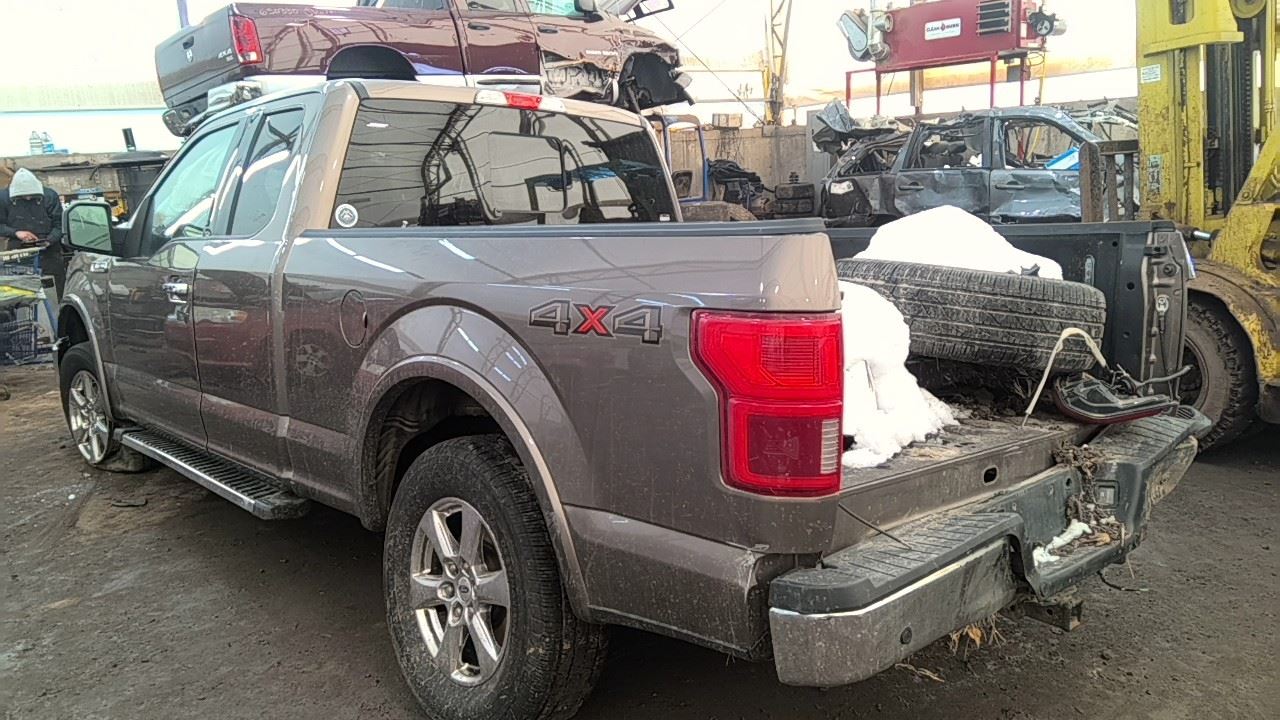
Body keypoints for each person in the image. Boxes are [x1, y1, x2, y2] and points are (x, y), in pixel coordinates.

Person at [0, 168, 65, 298]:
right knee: (20, 294)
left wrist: (49, 240)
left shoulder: (50, 196)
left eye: (32, 195)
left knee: (54, 293)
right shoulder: (3, 198)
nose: (28, 198)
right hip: (17, 254)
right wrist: (16, 233)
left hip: (49, 253)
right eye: (24, 197)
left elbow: (60, 225)